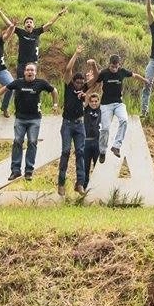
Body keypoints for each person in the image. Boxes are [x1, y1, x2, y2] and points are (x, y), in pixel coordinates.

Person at [0, 63, 58, 181]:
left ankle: (29, 171)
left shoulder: (40, 83)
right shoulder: (18, 83)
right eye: (27, 70)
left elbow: (54, 90)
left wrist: (55, 104)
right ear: (24, 72)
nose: (29, 72)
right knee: (17, 141)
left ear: (35, 72)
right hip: (20, 119)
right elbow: (5, 88)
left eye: (32, 70)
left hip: (34, 119)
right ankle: (16, 170)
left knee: (32, 142)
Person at [88, 55, 149, 160]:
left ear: (119, 65)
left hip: (118, 103)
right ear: (109, 65)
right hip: (106, 104)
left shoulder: (122, 71)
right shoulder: (104, 73)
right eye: (112, 67)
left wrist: (145, 80)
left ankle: (116, 146)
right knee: (105, 128)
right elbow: (95, 84)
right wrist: (87, 93)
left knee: (124, 120)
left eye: (116, 67)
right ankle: (102, 151)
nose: (114, 69)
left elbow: (134, 75)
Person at [58, 45, 89, 196]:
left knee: (81, 152)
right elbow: (68, 70)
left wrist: (94, 66)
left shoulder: (84, 88)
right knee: (65, 151)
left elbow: (96, 79)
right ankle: (61, 183)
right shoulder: (69, 86)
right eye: (77, 82)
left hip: (80, 123)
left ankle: (80, 183)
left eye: (81, 82)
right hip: (67, 124)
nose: (79, 84)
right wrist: (76, 54)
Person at [8, 7, 68, 79]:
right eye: (27, 22)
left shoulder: (37, 32)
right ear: (24, 26)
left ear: (33, 26)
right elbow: (9, 24)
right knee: (20, 82)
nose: (29, 23)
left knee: (32, 82)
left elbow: (50, 23)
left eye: (30, 22)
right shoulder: (21, 32)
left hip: (33, 63)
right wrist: (0, 13)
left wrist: (58, 15)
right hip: (22, 63)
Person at [82, 93, 102, 188]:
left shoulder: (102, 110)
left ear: (99, 101)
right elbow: (86, 96)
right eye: (92, 101)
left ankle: (96, 188)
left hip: (97, 142)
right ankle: (85, 188)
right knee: (85, 167)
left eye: (96, 101)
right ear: (89, 102)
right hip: (86, 142)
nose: (94, 103)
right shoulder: (86, 110)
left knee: (97, 167)